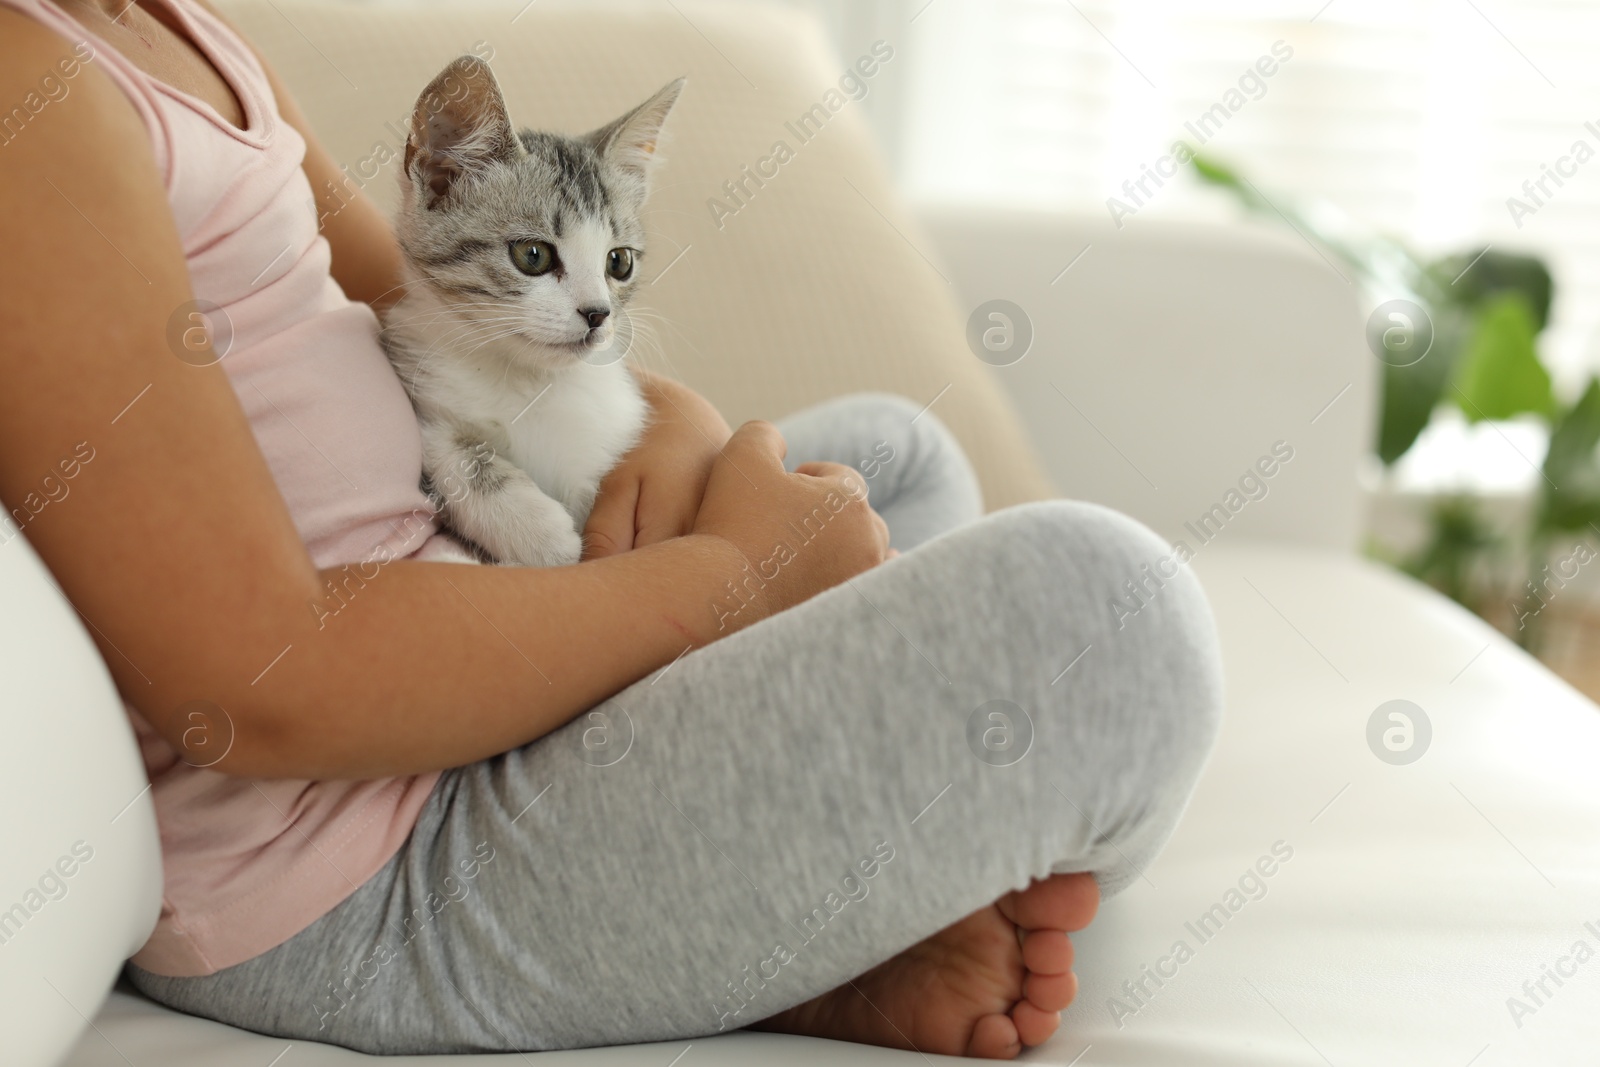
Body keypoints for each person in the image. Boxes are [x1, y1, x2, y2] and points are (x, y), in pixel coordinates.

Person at [0, 0, 1223, 1058]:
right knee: (1109, 609)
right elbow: (255, 683)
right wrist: (734, 575)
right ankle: (809, 919)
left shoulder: (173, 28)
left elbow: (412, 290)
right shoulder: (31, 93)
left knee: (893, 453)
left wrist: (670, 428)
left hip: (484, 640)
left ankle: (774, 928)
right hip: (370, 863)